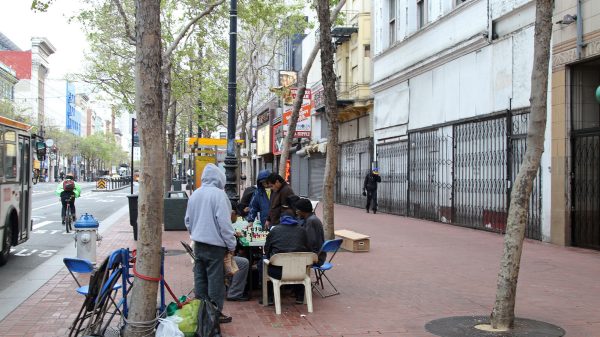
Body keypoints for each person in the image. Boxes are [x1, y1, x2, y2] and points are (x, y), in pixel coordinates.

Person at [184, 163, 236, 324]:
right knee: (215, 280)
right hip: (215, 246)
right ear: (220, 179)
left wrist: (196, 233)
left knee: (200, 278)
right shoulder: (219, 195)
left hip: (198, 243)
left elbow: (187, 221)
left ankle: (201, 310)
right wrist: (231, 244)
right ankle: (214, 313)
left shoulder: (195, 194)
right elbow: (225, 224)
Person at [263, 214, 311, 304]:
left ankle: (269, 298)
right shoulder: (302, 230)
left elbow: (267, 251)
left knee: (265, 263)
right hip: (300, 272)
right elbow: (308, 248)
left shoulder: (275, 230)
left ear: (281, 220)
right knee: (298, 263)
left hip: (278, 273)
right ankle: (300, 297)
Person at [226, 209, 250, 302]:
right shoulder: (225, 224)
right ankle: (234, 293)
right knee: (244, 262)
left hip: (213, 255)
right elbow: (231, 246)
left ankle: (232, 287)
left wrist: (234, 233)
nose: (237, 218)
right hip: (219, 258)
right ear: (232, 214)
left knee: (239, 258)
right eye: (237, 215)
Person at [295, 198, 326, 266]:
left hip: (316, 258)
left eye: (298, 210)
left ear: (303, 211)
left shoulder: (310, 221)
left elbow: (310, 243)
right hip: (318, 255)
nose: (296, 212)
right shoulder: (312, 218)